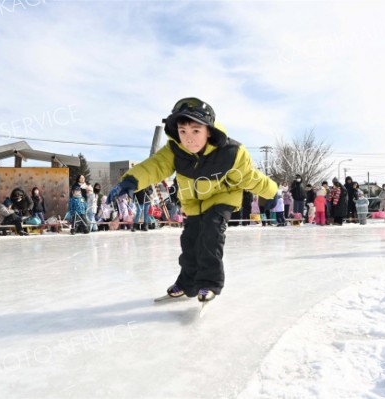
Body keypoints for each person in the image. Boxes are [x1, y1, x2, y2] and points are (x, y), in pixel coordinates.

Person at [106, 97, 277, 303]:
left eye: (196, 131)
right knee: (189, 241)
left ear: (209, 131)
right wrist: (132, 180)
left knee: (211, 234)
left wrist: (272, 192)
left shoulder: (230, 153)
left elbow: (250, 177)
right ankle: (187, 283)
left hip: (223, 196)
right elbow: (155, 166)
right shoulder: (175, 150)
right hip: (194, 202)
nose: (189, 138)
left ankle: (209, 283)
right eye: (183, 131)